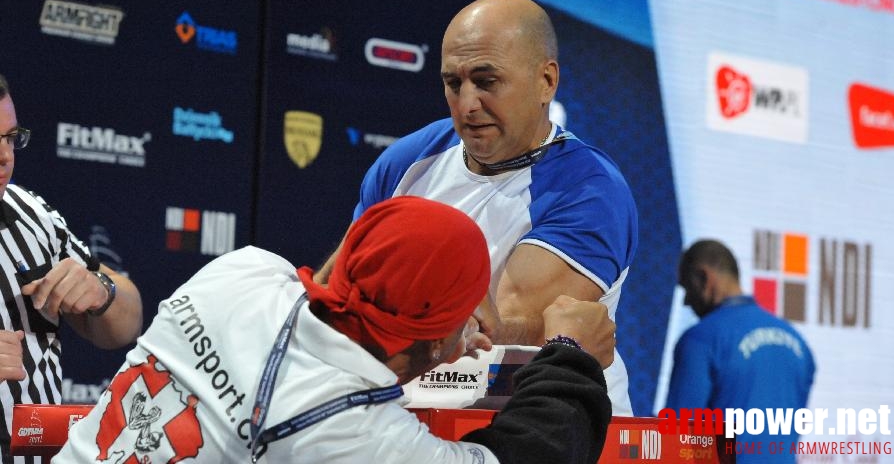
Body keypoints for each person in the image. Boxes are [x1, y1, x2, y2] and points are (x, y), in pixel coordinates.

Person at [54, 196, 616, 463]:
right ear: (440, 339)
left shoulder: (240, 270)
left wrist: (431, 335)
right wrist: (570, 355)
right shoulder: (353, 437)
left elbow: (325, 280)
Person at [315, 0, 638, 415]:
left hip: (544, 428)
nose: (467, 105)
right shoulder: (407, 161)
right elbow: (335, 292)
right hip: (416, 423)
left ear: (547, 82)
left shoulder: (590, 189)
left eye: (487, 82)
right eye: (454, 83)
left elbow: (502, 327)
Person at [0, 74, 143, 463]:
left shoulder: (31, 214)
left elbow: (128, 321)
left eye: (10, 138)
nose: (5, 156)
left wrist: (101, 292)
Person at [666, 239, 816, 462]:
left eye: (686, 288)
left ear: (703, 277)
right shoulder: (798, 344)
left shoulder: (701, 339)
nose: (687, 301)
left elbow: (676, 438)